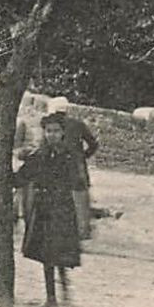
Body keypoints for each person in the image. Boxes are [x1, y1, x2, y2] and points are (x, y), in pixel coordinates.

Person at [12, 112, 83, 307]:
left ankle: (61, 295)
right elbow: (21, 178)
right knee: (48, 254)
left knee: (57, 252)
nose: (52, 135)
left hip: (61, 209)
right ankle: (54, 297)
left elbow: (77, 182)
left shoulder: (68, 155)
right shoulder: (40, 155)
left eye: (56, 131)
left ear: (62, 133)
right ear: (44, 132)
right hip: (43, 210)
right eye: (49, 131)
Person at [47, 97, 99, 239]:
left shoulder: (50, 126)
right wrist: (83, 156)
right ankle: (82, 232)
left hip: (57, 165)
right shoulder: (78, 124)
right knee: (80, 198)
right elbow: (93, 144)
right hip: (77, 165)